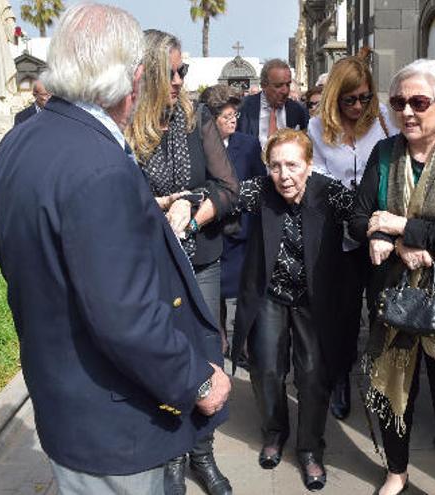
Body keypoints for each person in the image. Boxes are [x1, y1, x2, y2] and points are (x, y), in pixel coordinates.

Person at [0, 4, 230, 494]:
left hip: (66, 401)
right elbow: (126, 318)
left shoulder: (20, 142)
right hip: (116, 424)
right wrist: (197, 382)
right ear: (135, 79)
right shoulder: (99, 164)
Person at [348, 59, 435, 495]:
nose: (407, 111)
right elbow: (357, 217)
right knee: (393, 395)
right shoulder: (385, 153)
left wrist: (399, 226)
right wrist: (390, 237)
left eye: (419, 102)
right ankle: (397, 472)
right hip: (393, 299)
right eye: (398, 103)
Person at [125, 29, 239, 495]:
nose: (179, 80)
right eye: (171, 71)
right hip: (150, 264)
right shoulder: (125, 126)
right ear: (147, 73)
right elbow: (117, 198)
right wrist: (158, 206)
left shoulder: (197, 119)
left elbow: (228, 189)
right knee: (166, 358)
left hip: (201, 260)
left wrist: (192, 211)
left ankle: (202, 453)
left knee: (206, 357)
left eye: (183, 71)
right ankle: (172, 453)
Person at [231, 129, 354, 492]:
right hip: (271, 294)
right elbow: (225, 198)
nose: (284, 175)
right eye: (275, 166)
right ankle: (274, 430)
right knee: (267, 368)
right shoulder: (261, 190)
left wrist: (382, 233)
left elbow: (363, 217)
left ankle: (311, 447)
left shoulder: (328, 192)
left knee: (314, 376)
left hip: (314, 299)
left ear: (309, 165)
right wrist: (185, 203)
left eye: (292, 165)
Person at [307, 53, 398, 421]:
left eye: (364, 97)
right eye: (350, 99)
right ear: (334, 98)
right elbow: (317, 180)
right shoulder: (316, 128)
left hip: (381, 234)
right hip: (339, 237)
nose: (359, 106)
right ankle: (340, 378)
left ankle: (383, 384)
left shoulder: (385, 121)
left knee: (383, 312)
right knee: (342, 316)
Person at [199, 84, 267, 356]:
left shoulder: (248, 145)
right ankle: (221, 338)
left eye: (235, 116)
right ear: (212, 120)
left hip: (243, 232)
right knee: (215, 292)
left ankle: (246, 340)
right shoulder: (200, 146)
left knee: (244, 289)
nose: (233, 121)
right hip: (214, 231)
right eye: (226, 117)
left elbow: (259, 181)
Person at [236, 59, 309, 148]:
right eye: (278, 86)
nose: (285, 91)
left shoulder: (298, 110)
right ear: (263, 85)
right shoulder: (244, 107)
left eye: (288, 84)